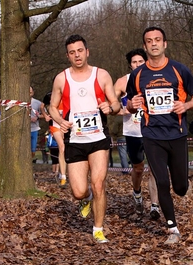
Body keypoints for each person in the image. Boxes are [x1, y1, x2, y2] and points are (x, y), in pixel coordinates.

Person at [126, 26, 193, 244]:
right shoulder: (137, 75)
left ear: (165, 43)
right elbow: (130, 104)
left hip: (177, 133)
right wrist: (133, 104)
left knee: (180, 187)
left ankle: (180, 189)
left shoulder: (179, 70)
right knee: (161, 181)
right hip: (151, 135)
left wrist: (186, 105)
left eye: (157, 39)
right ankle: (172, 228)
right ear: (145, 46)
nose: (154, 43)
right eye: (149, 41)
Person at [48, 34, 120, 243]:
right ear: (68, 56)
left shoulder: (102, 75)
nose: (77, 55)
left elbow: (115, 104)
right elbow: (52, 106)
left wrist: (110, 107)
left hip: (98, 138)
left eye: (80, 51)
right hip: (75, 139)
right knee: (79, 191)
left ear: (87, 52)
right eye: (72, 52)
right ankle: (86, 199)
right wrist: (59, 119)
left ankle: (98, 228)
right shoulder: (61, 78)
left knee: (99, 184)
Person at [114, 48, 160, 218]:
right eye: (134, 62)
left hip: (152, 131)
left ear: (146, 61)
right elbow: (110, 105)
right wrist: (124, 110)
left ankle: (155, 206)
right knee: (138, 169)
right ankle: (137, 193)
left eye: (141, 61)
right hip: (133, 132)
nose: (138, 65)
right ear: (130, 65)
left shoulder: (155, 77)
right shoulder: (122, 82)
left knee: (155, 168)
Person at [41, 91, 68, 188]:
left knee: (66, 149)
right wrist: (45, 116)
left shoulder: (67, 94)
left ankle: (63, 172)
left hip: (65, 123)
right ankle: (63, 177)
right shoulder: (49, 95)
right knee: (62, 147)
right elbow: (42, 106)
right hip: (55, 125)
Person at [30, 87, 44, 162]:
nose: (30, 93)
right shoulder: (21, 103)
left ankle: (30, 161)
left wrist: (37, 117)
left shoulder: (37, 103)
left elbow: (45, 114)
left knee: (33, 150)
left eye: (31, 92)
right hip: (24, 129)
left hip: (34, 128)